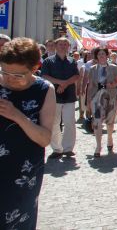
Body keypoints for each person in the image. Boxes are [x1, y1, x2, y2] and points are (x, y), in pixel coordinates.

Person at [0, 38, 56, 230]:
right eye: (4, 72)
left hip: (22, 174)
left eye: (17, 74)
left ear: (34, 68)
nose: (9, 78)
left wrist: (17, 115)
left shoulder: (44, 90)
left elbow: (44, 139)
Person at [40, 37, 80, 158]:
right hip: (53, 96)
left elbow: (76, 76)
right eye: (60, 44)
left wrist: (65, 83)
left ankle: (68, 148)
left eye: (65, 44)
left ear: (68, 47)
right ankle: (57, 149)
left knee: (69, 122)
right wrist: (60, 83)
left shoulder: (72, 61)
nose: (63, 46)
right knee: (54, 122)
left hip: (69, 95)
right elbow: (45, 76)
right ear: (56, 46)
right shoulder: (48, 61)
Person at [86, 47, 117, 157]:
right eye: (99, 54)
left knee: (110, 121)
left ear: (107, 56)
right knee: (97, 122)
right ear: (96, 56)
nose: (101, 56)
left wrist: (112, 85)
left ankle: (110, 138)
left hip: (110, 96)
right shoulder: (92, 69)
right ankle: (98, 146)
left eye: (103, 54)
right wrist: (88, 102)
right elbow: (90, 85)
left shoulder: (114, 68)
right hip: (97, 97)